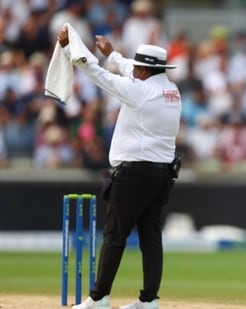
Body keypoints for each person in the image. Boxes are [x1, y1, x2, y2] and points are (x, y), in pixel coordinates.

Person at [56, 25, 181, 309]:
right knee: (150, 236)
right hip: (162, 175)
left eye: (138, 67)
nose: (134, 69)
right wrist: (112, 53)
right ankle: (149, 300)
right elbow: (126, 71)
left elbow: (101, 77)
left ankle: (99, 297)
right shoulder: (171, 89)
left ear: (146, 71)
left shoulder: (140, 92)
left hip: (134, 174)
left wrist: (69, 49)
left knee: (115, 234)